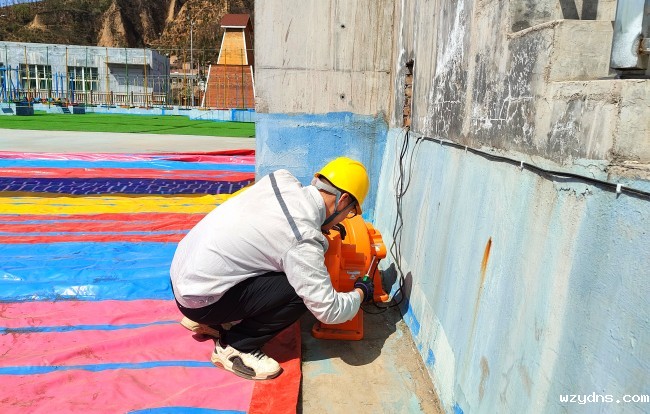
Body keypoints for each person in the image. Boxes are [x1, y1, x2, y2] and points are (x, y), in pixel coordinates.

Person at [170, 157, 375, 380]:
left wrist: (318, 229)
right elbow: (329, 310)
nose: (346, 218)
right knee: (300, 292)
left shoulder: (281, 179)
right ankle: (236, 347)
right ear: (343, 200)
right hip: (200, 302)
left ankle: (213, 318)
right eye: (350, 212)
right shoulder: (302, 238)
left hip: (182, 276)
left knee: (276, 262)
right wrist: (361, 292)